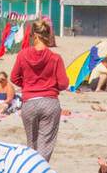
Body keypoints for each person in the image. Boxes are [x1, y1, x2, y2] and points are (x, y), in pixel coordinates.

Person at [10, 20, 69, 161]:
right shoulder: (55, 58)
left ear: (33, 36)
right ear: (48, 36)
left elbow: (14, 77)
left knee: (32, 144)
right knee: (45, 144)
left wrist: (27, 86)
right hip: (49, 101)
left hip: (29, 102)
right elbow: (63, 83)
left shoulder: (23, 55)